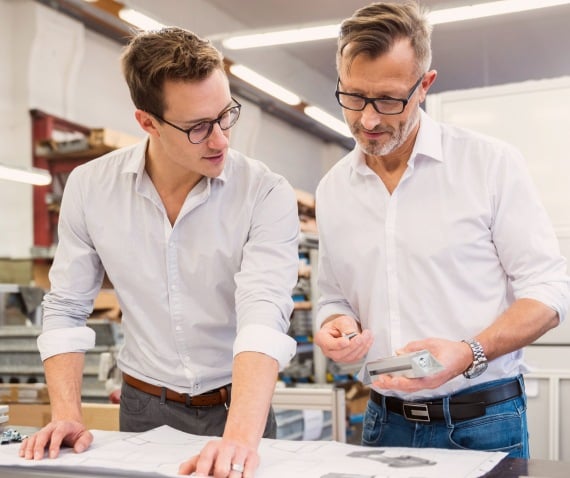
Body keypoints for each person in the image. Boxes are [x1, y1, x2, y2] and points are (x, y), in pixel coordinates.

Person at [20, 27, 300, 477]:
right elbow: (67, 308)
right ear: (147, 122)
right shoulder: (92, 189)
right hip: (143, 407)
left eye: (226, 115)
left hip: (239, 407)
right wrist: (67, 413)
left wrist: (239, 437)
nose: (221, 139)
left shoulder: (264, 192)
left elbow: (264, 312)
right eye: (198, 128)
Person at [314, 1, 569, 459]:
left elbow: (550, 292)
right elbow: (334, 295)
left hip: (483, 420)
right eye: (353, 96)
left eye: (389, 100)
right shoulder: (334, 189)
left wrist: (468, 351)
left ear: (425, 85)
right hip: (382, 420)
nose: (368, 120)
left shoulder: (488, 164)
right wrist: (335, 323)